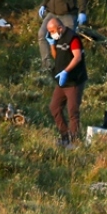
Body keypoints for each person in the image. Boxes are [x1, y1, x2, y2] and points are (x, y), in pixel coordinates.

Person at [37, 0, 88, 71]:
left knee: (67, 42)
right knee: (42, 35)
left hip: (68, 14)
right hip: (52, 12)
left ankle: (69, 68)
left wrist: (82, 11)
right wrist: (44, 4)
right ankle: (47, 66)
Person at [45, 18, 87, 148]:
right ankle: (65, 136)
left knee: (72, 111)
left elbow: (77, 57)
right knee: (54, 107)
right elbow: (56, 56)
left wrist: (66, 71)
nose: (52, 34)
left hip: (73, 81)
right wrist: (52, 44)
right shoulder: (58, 38)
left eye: (52, 31)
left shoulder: (73, 38)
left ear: (60, 28)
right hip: (62, 82)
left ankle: (74, 141)